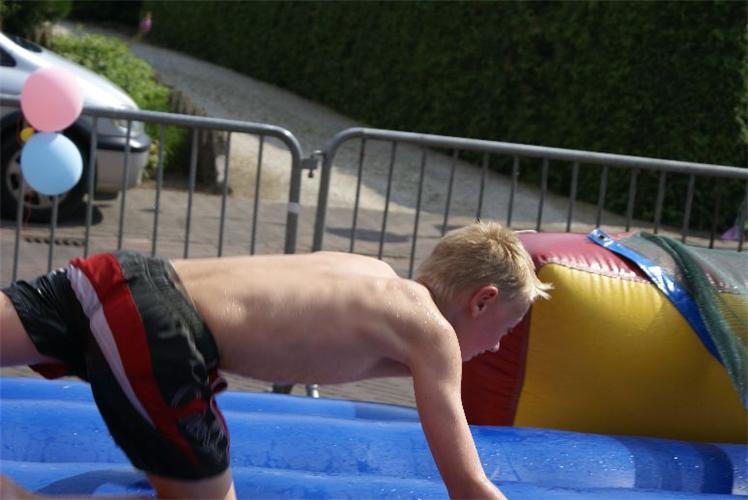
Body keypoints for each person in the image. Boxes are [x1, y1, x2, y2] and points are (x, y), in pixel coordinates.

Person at [0, 221, 551, 499]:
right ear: (481, 301)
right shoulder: (432, 333)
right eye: (505, 330)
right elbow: (468, 487)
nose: (496, 347)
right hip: (162, 331)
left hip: (122, 277)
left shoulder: (371, 274)